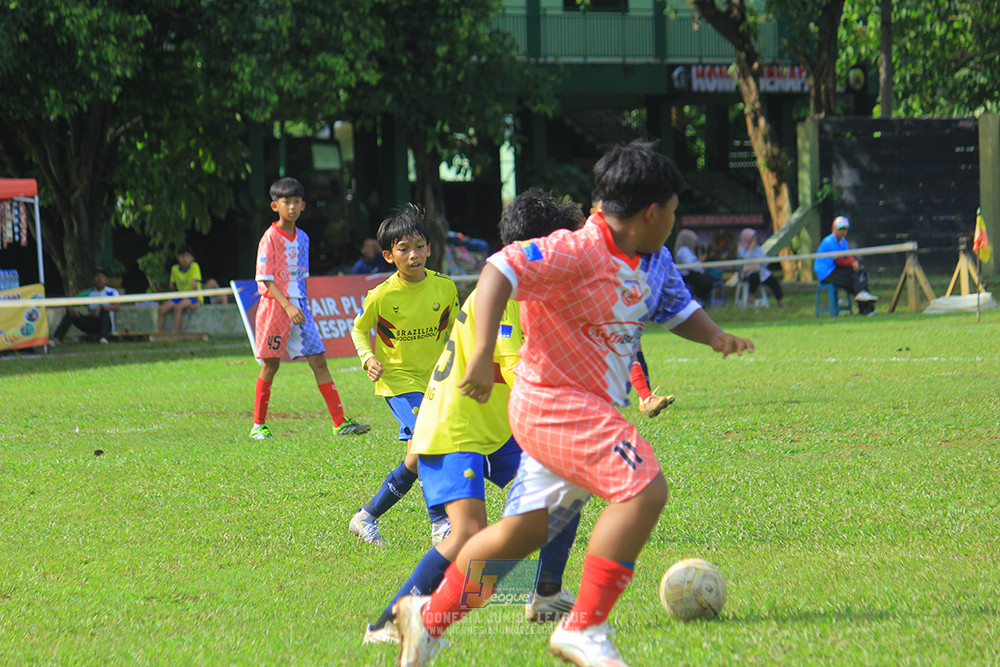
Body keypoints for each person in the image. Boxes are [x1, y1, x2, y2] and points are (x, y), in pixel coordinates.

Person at [393, 139, 754, 666]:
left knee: (522, 534)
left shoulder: (654, 260)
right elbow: (499, 270)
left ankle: (428, 618)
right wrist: (484, 351)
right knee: (644, 489)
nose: (674, 220)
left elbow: (678, 308)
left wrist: (715, 334)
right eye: (674, 211)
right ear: (651, 213)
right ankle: (584, 626)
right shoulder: (575, 249)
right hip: (552, 403)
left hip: (583, 411)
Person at [361, 189, 584, 646]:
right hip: (453, 425)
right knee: (466, 533)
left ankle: (544, 592)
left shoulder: (530, 291)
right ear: (538, 249)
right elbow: (513, 365)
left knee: (564, 491)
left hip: (495, 428)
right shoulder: (504, 292)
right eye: (562, 246)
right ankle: (387, 623)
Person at [349, 205, 460, 546]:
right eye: (404, 249)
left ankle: (366, 517)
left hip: (436, 381)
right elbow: (358, 329)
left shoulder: (445, 287)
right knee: (428, 444)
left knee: (414, 458)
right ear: (388, 255)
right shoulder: (382, 295)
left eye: (419, 247)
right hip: (398, 381)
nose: (414, 255)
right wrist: (368, 357)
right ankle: (440, 523)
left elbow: (456, 331)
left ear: (429, 248)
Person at [249, 177, 370, 441]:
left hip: (300, 308)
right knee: (270, 365)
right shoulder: (269, 237)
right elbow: (265, 278)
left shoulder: (303, 238)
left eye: (296, 202)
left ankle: (339, 422)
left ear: (303, 205)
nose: (292, 207)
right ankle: (258, 426)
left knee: (319, 360)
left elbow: (301, 276)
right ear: (275, 206)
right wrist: (287, 305)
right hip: (276, 307)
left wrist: (300, 304)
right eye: (286, 202)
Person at [814, 216, 879, 315]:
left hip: (835, 269)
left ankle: (866, 306)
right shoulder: (829, 241)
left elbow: (847, 256)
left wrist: (854, 262)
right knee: (856, 282)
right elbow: (839, 260)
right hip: (826, 273)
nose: (843, 232)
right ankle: (866, 307)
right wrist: (853, 263)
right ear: (833, 229)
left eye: (845, 229)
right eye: (840, 229)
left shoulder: (843, 241)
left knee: (860, 271)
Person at [50, 268, 120, 345]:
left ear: (107, 280)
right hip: (92, 322)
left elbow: (116, 307)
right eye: (97, 277)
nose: (100, 279)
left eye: (102, 277)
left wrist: (101, 308)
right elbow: (70, 302)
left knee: (104, 312)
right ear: (93, 280)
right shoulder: (88, 293)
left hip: (106, 324)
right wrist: (71, 309)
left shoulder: (112, 292)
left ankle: (104, 338)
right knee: (70, 315)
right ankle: (57, 339)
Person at [156, 244, 203, 333]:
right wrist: (175, 297)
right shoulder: (174, 269)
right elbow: (172, 285)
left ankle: (174, 333)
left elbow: (194, 285)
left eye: (187, 257)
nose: (185, 259)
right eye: (182, 257)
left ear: (192, 258)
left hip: (193, 296)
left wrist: (197, 302)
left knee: (178, 308)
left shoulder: (194, 266)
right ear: (178, 258)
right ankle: (158, 333)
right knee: (161, 309)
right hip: (180, 296)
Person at [737, 227, 786, 307]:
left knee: (774, 281)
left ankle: (780, 301)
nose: (754, 240)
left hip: (762, 272)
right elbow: (746, 260)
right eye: (752, 238)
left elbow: (765, 260)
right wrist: (750, 249)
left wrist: (760, 261)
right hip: (747, 273)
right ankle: (751, 296)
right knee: (755, 277)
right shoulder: (741, 249)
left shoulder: (758, 248)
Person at [674, 228, 716, 305]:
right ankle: (701, 300)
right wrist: (699, 264)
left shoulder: (686, 250)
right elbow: (691, 265)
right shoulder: (684, 250)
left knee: (709, 278)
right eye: (693, 242)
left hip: (691, 274)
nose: (694, 244)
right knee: (707, 280)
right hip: (688, 276)